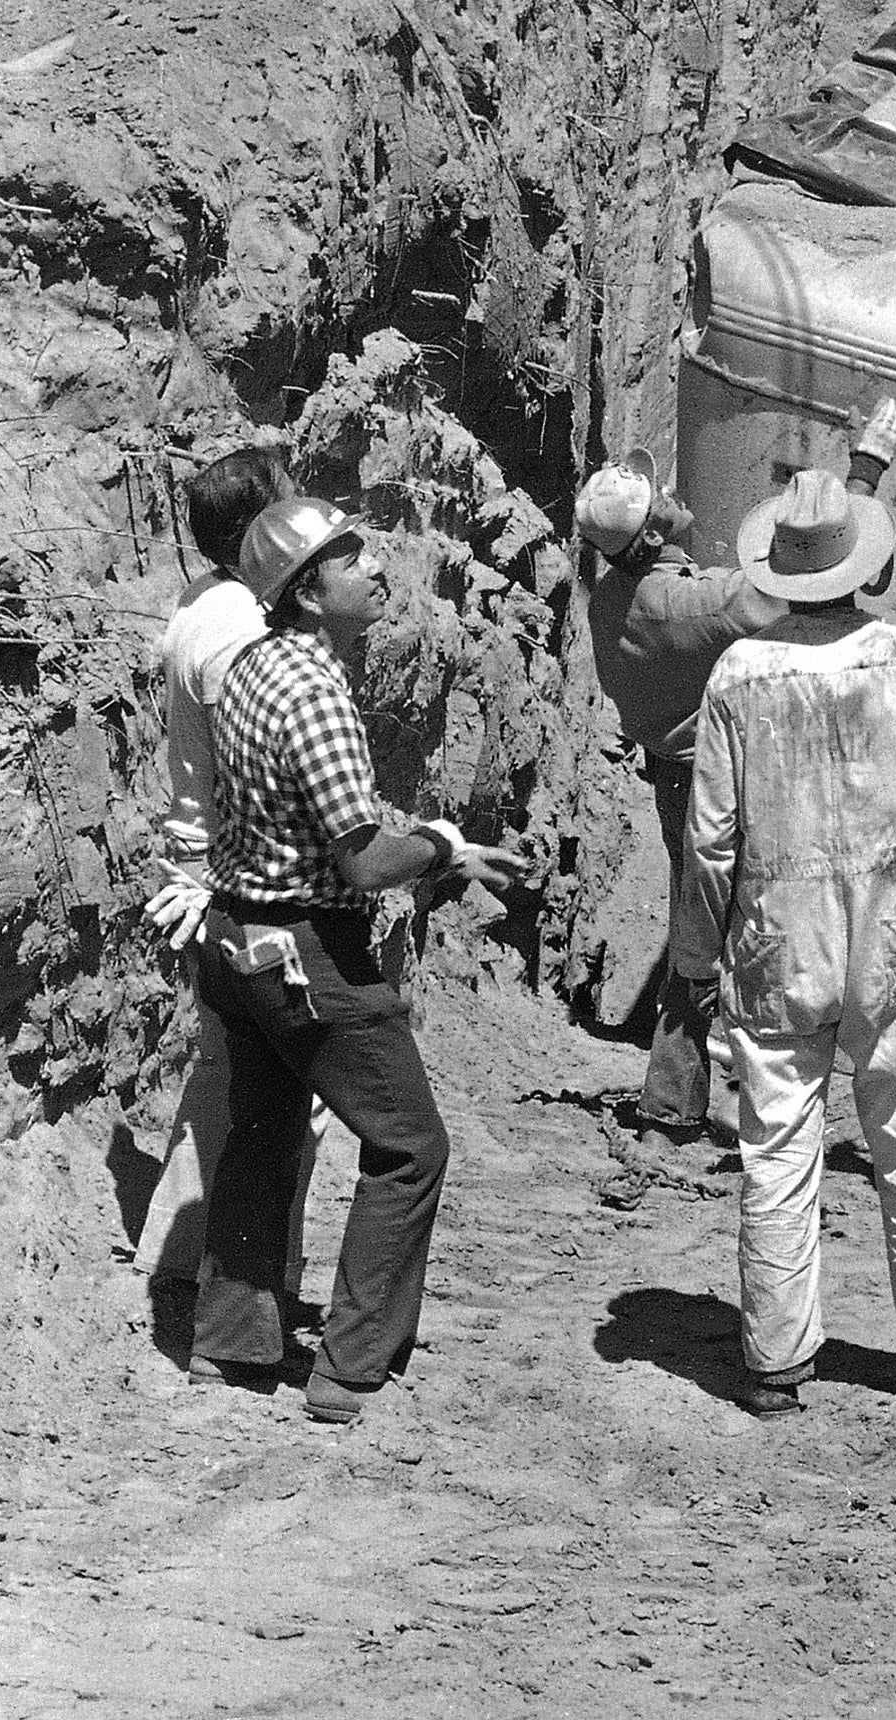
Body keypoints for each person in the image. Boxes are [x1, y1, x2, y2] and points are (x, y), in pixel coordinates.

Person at [674, 467, 896, 1416]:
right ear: (866, 563)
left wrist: (698, 960)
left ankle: (778, 1359)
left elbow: (709, 842)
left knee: (777, 1152)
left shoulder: (739, 674)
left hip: (779, 947)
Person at [188, 497, 525, 1425]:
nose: (376, 569)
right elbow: (365, 859)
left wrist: (436, 843)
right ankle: (348, 1367)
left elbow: (339, 817)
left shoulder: (248, 666)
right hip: (308, 954)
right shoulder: (319, 691)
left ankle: (229, 1340)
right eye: (350, 559)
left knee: (260, 1132)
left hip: (235, 939)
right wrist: (443, 848)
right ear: (305, 595)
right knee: (411, 1146)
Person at [578, 400, 896, 1134]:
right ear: (652, 533)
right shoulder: (686, 604)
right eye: (662, 499)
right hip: (720, 781)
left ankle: (672, 1096)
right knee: (750, 930)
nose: (674, 497)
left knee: (697, 929)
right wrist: (866, 470)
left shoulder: (615, 600)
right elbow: (805, 575)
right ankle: (760, 1099)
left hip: (677, 776)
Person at [137, 446, 321, 1293]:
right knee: (293, 1080)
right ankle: (251, 1277)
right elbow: (267, 764)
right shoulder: (246, 631)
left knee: (225, 1064)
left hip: (196, 854)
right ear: (257, 529)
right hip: (239, 868)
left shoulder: (197, 606)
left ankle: (176, 1258)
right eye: (285, 507)